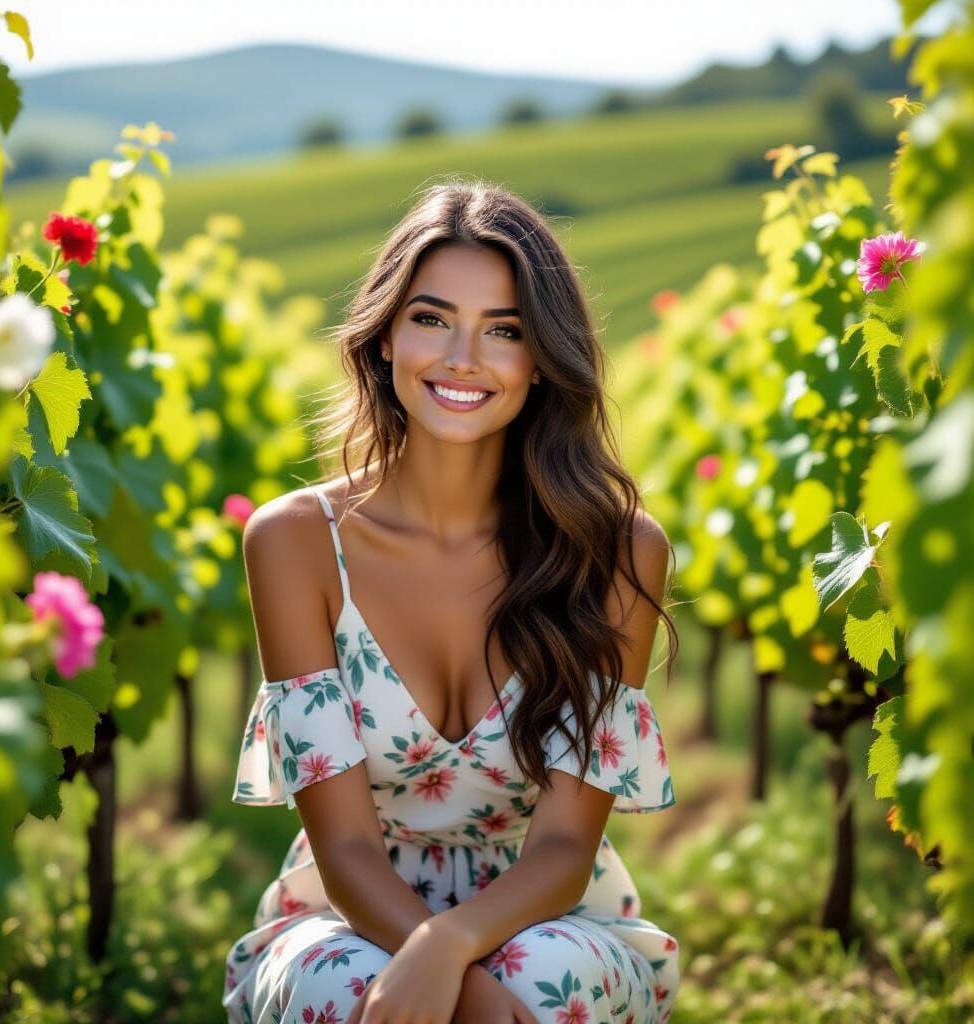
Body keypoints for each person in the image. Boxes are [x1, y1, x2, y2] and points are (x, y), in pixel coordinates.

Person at [222, 179, 681, 1024]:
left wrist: (450, 947)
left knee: (544, 977)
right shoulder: (295, 542)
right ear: (385, 336)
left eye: (504, 330)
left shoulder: (617, 551)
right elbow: (346, 846)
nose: (463, 357)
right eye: (432, 319)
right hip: (348, 908)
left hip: (546, 907)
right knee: (341, 984)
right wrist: (455, 980)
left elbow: (564, 845)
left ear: (542, 359)